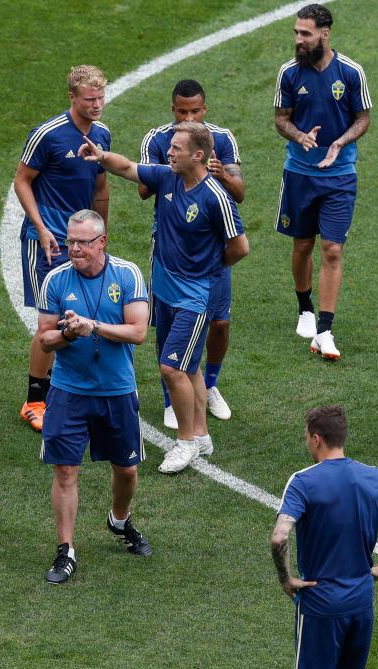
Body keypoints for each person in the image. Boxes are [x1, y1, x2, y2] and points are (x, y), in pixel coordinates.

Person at [80, 122, 248, 475]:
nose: (168, 152)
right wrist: (101, 156)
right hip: (165, 293)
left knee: (171, 367)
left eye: (176, 148)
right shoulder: (168, 177)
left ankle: (185, 442)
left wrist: (208, 269)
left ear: (197, 155)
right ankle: (201, 435)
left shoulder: (215, 196)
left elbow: (239, 247)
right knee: (188, 366)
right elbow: (127, 168)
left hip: (193, 297)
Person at [271, 406, 378, 669]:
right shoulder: (373, 476)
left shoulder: (303, 481)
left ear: (317, 438)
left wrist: (286, 579)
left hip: (321, 604)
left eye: (306, 435)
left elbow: (279, 538)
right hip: (361, 600)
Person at [36, 210, 151, 585]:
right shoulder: (55, 280)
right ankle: (65, 549)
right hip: (69, 391)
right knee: (66, 469)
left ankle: (119, 520)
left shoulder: (127, 274)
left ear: (102, 242)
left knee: (127, 470)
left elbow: (138, 332)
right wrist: (69, 333)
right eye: (70, 241)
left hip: (116, 391)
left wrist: (93, 326)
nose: (74, 248)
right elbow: (43, 339)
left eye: (83, 242)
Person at [140, 79, 245, 427]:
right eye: (182, 111)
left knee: (220, 321)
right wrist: (173, 165)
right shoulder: (158, 140)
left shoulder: (221, 139)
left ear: (205, 109)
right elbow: (143, 188)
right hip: (170, 246)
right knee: (167, 322)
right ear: (173, 110)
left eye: (195, 111)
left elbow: (239, 192)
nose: (188, 117)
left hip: (209, 246)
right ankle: (171, 398)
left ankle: (209, 385)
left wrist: (218, 175)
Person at [16, 65, 111, 432]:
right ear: (72, 97)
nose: (97, 104)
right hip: (48, 239)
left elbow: (101, 189)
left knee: (78, 314)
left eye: (101, 98)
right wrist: (40, 229)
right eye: (90, 99)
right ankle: (34, 400)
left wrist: (102, 236)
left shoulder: (102, 134)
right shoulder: (48, 134)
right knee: (49, 322)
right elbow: (22, 182)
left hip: (85, 239)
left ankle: (64, 391)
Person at [274, 3, 371, 360]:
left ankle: (325, 330)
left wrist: (340, 142)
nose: (299, 39)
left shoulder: (350, 72)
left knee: (332, 249)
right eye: (297, 33)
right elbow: (280, 119)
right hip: (299, 172)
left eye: (305, 34)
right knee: (302, 246)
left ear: (324, 34)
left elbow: (363, 118)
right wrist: (299, 136)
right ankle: (305, 307)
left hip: (340, 175)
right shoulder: (289, 73)